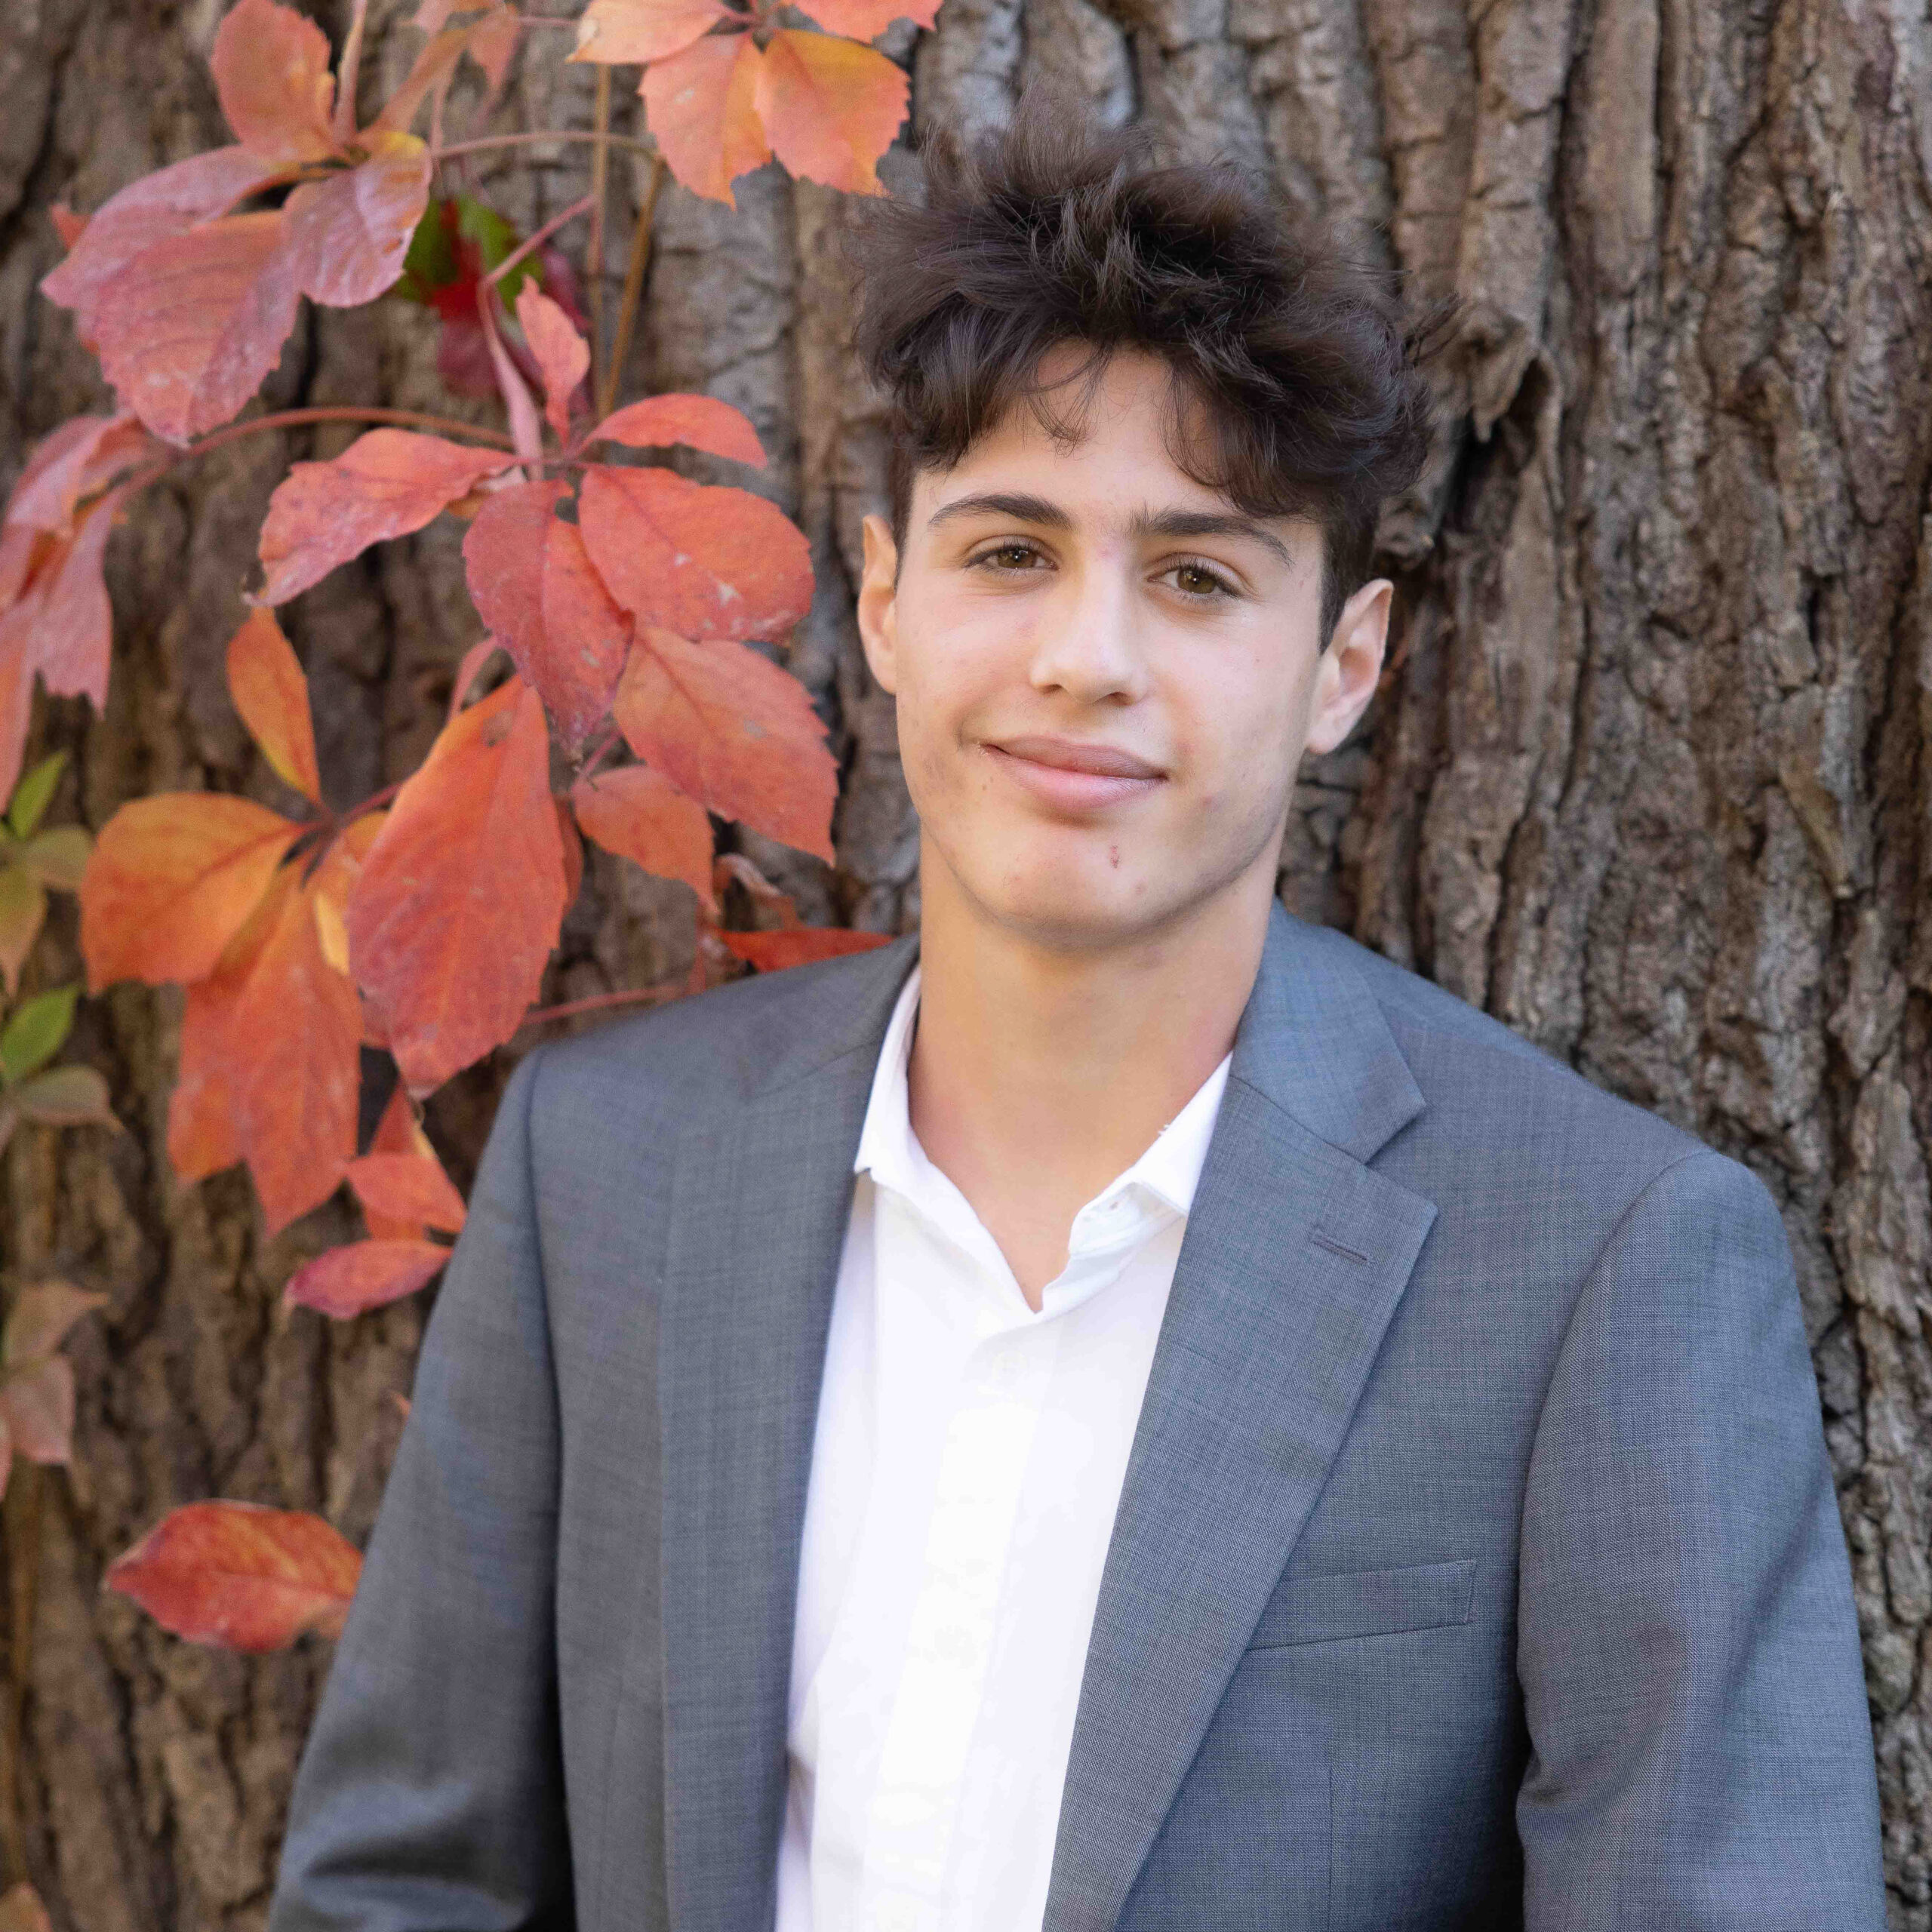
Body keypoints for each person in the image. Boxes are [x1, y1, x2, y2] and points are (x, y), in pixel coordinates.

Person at [266, 95, 1885, 1932]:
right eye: (1008, 551)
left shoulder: (1599, 1261)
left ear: (1341, 665)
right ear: (881, 600)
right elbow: (406, 1889)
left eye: (1194, 575)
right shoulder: (607, 1171)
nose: (1083, 655)